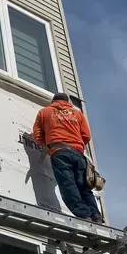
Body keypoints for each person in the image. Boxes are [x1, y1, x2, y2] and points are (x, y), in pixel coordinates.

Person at [32, 93, 102, 222]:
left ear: (53, 101)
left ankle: (84, 216)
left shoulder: (44, 112)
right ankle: (95, 215)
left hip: (59, 152)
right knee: (83, 186)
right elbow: (86, 135)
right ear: (67, 101)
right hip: (78, 153)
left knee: (68, 185)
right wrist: (76, 144)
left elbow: (37, 136)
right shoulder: (77, 114)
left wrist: (49, 145)